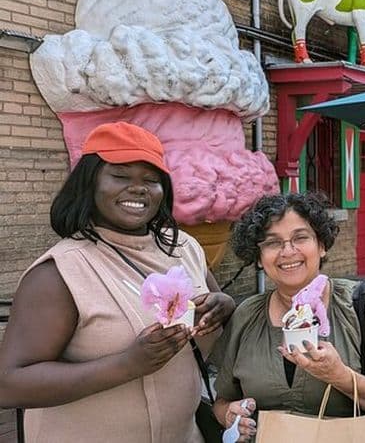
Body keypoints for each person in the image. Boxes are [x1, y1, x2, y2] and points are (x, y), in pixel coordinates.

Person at [0, 121, 235, 442]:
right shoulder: (60, 272)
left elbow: (220, 323)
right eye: (121, 176)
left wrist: (224, 307)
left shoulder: (183, 248)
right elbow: (9, 385)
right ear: (89, 183)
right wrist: (127, 365)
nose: (138, 188)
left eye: (151, 179)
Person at [211, 192, 365, 440]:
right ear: (259, 258)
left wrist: (339, 376)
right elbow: (222, 402)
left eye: (300, 237)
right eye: (273, 242)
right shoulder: (246, 315)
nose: (288, 251)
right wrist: (230, 416)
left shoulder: (364, 303)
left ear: (322, 246)